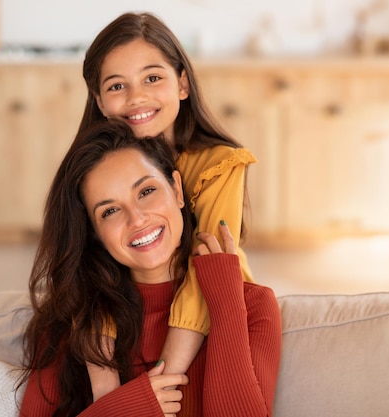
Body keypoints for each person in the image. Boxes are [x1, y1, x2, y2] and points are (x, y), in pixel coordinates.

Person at [18, 120, 282, 416]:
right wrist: (125, 407)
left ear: (177, 190)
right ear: (95, 232)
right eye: (110, 211)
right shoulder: (70, 321)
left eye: (146, 191)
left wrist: (224, 299)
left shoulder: (252, 305)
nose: (137, 219)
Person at [72, 12, 259, 400]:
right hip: (133, 314)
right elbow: (89, 268)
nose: (136, 97)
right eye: (117, 86)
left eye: (152, 78)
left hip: (205, 320)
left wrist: (163, 380)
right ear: (99, 101)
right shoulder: (95, 171)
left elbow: (205, 272)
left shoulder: (219, 165)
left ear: (183, 84)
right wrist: (109, 391)